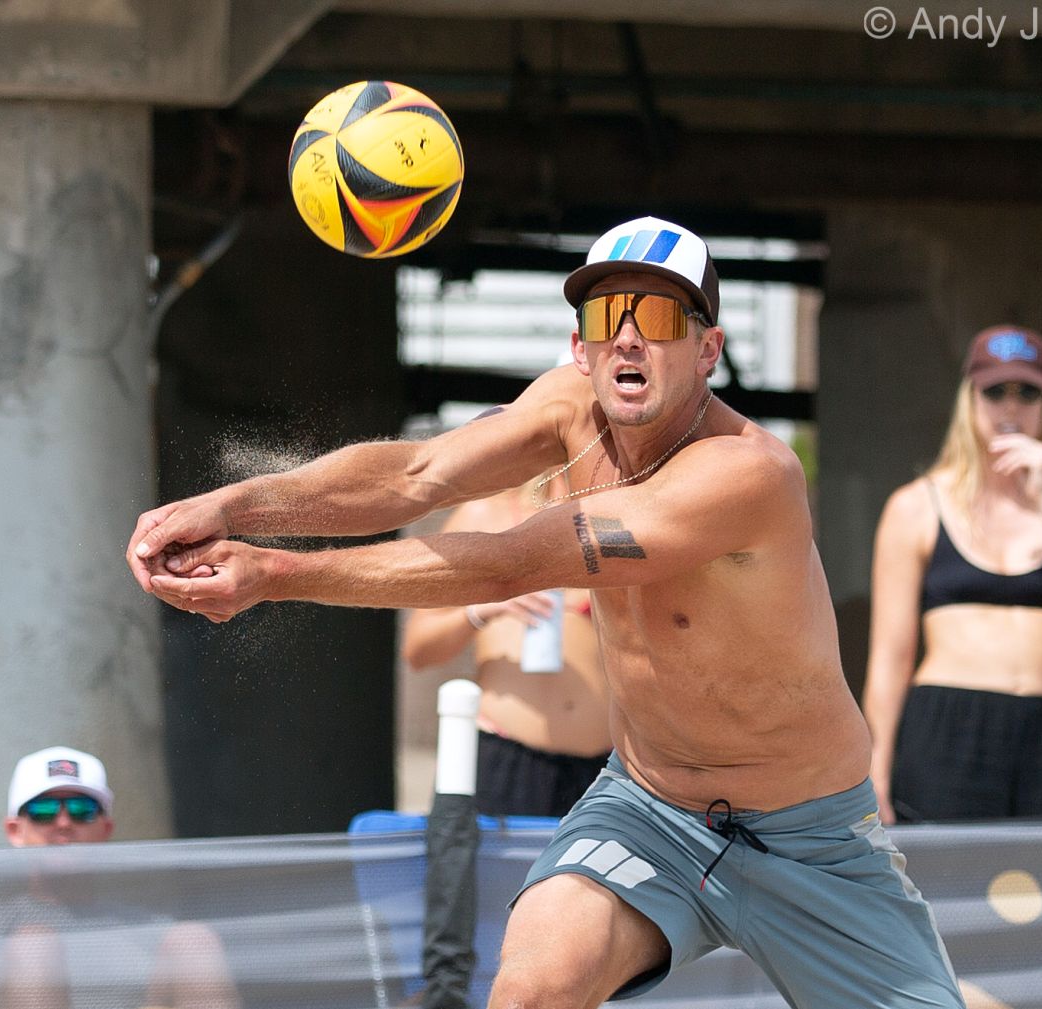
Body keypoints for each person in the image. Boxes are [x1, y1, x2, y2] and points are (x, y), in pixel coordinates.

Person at [127, 215, 965, 1008]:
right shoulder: (570, 408)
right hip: (650, 809)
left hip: (808, 835)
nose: (628, 336)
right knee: (531, 990)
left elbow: (514, 560)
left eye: (658, 316)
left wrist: (274, 573)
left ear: (708, 348)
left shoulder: (749, 473)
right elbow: (417, 475)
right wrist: (231, 505)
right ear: (579, 345)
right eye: (607, 314)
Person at [863, 325, 1042, 824]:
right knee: (948, 872)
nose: (1011, 408)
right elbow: (890, 656)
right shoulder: (917, 505)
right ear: (969, 401)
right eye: (995, 392)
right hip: (949, 725)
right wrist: (876, 768)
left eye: (1027, 393)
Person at [401, 474, 613, 818]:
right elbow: (419, 649)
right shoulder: (486, 517)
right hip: (505, 757)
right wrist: (482, 610)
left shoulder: (617, 521)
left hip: (603, 768)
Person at [0, 747, 239, 1009]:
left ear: (105, 829)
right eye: (43, 810)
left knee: (193, 941)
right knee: (34, 947)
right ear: (14, 831)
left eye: (82, 809)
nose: (63, 823)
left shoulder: (150, 933)